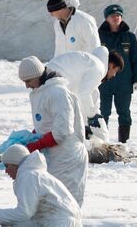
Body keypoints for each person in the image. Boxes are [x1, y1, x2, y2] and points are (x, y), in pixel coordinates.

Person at [17, 55, 89, 205]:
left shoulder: (58, 92)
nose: (26, 86)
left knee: (67, 201)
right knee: (51, 199)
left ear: (38, 75)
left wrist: (37, 145)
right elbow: (45, 121)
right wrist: (33, 137)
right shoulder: (37, 93)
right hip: (53, 154)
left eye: (28, 81)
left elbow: (62, 130)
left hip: (68, 156)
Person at [98, 4, 137, 143]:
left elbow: (136, 59)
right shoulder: (99, 36)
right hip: (103, 81)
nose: (115, 18)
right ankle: (101, 141)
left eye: (118, 15)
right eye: (112, 16)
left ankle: (124, 142)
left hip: (124, 81)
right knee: (102, 112)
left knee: (124, 113)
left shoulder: (129, 37)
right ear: (107, 19)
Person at [47, 46, 113, 139]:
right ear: (109, 65)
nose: (114, 75)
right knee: (62, 122)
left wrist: (86, 121)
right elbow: (84, 94)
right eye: (115, 71)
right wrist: (91, 117)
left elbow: (81, 96)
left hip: (47, 75)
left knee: (49, 120)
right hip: (56, 81)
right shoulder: (98, 68)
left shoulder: (88, 62)